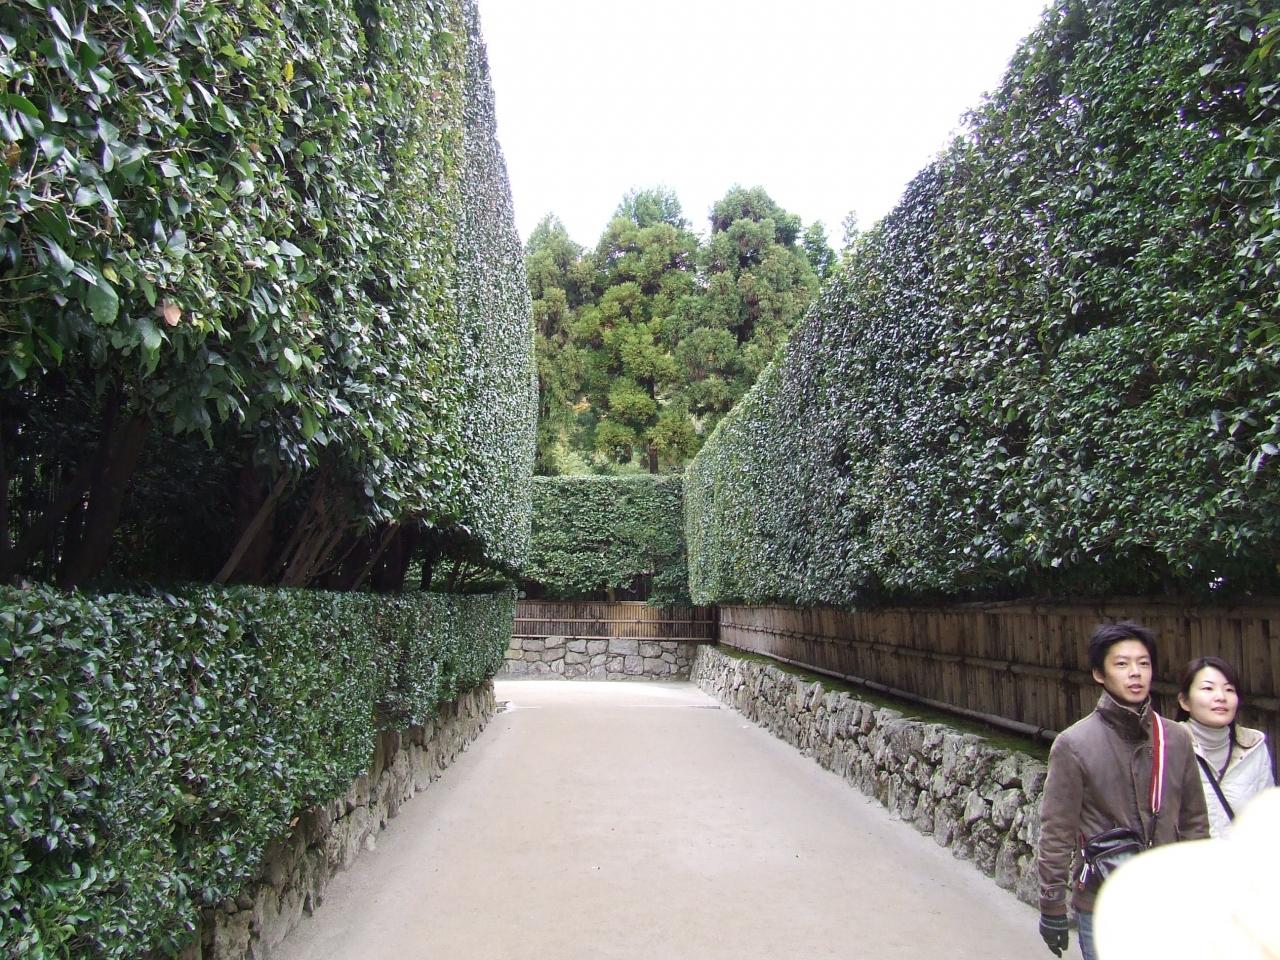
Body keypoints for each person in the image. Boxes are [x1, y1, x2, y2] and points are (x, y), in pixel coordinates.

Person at [1036, 621, 1209, 960]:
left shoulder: (1175, 738)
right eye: (1122, 663)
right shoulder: (1074, 743)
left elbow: (1195, 822)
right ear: (1099, 674)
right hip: (1103, 901)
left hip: (1168, 901)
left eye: (1143, 663)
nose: (1135, 673)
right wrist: (1051, 905)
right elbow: (1056, 829)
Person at [1176, 655, 1275, 838]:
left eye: (1229, 689)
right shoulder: (1167, 747)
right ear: (1185, 701)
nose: (1221, 697)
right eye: (1208, 688)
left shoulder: (1253, 747)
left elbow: (1268, 819)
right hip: (1189, 856)